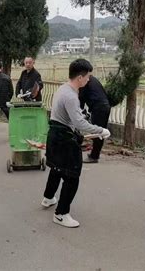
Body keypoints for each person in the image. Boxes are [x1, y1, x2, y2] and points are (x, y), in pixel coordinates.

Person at [41, 59, 111, 228]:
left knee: (57, 168)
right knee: (72, 176)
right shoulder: (71, 96)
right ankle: (61, 214)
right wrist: (100, 130)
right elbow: (80, 123)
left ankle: (48, 198)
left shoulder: (63, 89)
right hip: (64, 139)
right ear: (80, 77)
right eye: (88, 77)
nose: (88, 80)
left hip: (56, 135)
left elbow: (74, 119)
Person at [79, 75, 111, 163]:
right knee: (100, 131)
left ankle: (94, 156)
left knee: (97, 132)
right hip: (105, 106)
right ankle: (95, 154)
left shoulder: (85, 80)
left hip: (99, 108)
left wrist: (79, 109)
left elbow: (81, 97)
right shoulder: (92, 79)